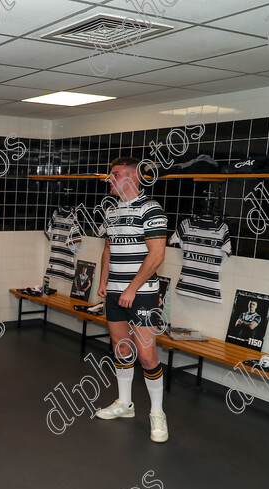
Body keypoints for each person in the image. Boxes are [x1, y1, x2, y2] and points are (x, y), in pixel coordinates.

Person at [95, 156, 169, 443]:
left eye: (114, 173)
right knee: (121, 347)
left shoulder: (151, 209)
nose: (108, 179)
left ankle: (157, 414)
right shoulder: (111, 211)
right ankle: (125, 404)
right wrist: (103, 282)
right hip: (115, 293)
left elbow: (157, 254)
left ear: (131, 177)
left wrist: (132, 289)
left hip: (142, 295)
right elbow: (108, 250)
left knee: (148, 356)